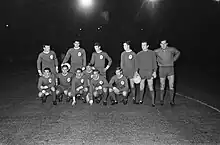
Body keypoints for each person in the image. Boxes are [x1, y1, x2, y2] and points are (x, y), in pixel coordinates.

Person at [154, 40, 181, 106]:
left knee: (171, 85)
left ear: (167, 44)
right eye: (161, 44)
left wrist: (174, 59)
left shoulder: (171, 49)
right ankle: (161, 100)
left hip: (170, 69)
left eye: (164, 43)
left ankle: (171, 100)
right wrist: (156, 60)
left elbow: (178, 52)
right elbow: (151, 55)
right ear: (160, 44)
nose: (163, 45)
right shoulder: (156, 51)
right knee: (162, 85)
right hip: (162, 69)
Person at [135, 41, 157, 107]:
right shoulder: (139, 54)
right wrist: (136, 72)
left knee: (151, 87)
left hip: (149, 72)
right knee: (141, 87)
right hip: (142, 72)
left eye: (144, 45)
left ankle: (153, 102)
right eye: (142, 45)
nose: (143, 47)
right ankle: (140, 100)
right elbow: (137, 64)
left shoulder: (152, 53)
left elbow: (154, 63)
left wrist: (155, 71)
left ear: (147, 46)